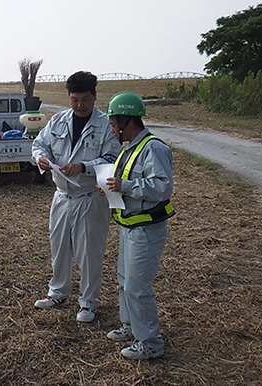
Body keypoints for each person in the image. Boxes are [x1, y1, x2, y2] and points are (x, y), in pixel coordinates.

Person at [32, 71, 122, 322]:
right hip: (62, 195)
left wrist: (84, 166)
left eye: (85, 100)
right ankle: (58, 292)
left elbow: (113, 158)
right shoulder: (58, 121)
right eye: (74, 100)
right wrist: (40, 158)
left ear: (94, 96)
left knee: (89, 252)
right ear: (68, 98)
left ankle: (88, 302)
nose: (80, 105)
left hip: (90, 196)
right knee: (59, 247)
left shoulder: (106, 124)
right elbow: (40, 144)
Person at [98, 91, 175, 359]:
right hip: (129, 227)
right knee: (124, 281)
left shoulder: (154, 148)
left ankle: (150, 342)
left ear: (126, 121)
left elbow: (162, 187)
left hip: (146, 230)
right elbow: (127, 182)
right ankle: (131, 326)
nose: (111, 128)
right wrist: (111, 190)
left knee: (137, 287)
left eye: (112, 123)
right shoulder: (129, 148)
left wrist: (125, 186)